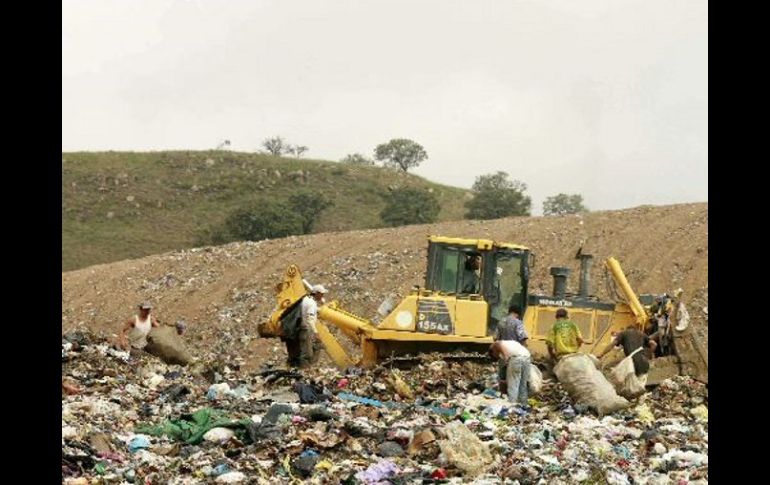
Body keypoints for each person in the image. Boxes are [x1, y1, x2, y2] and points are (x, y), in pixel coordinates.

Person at [495, 304, 528, 392]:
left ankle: (502, 394)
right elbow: (523, 338)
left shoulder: (501, 322)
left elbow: (495, 338)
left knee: (502, 377)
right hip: (514, 354)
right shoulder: (518, 323)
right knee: (515, 377)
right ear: (518, 313)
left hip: (503, 354)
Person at [489, 339, 531, 405]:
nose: (497, 356)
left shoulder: (496, 345)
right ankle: (523, 405)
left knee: (513, 385)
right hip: (527, 358)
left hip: (516, 358)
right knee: (523, 385)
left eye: (494, 355)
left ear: (493, 352)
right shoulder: (509, 344)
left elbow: (498, 345)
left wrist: (506, 360)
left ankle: (512, 406)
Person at [299, 284, 328, 367]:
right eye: (322, 294)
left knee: (307, 350)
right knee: (308, 354)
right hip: (306, 329)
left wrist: (319, 310)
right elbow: (310, 319)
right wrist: (316, 332)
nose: (322, 296)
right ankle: (305, 369)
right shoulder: (312, 303)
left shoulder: (306, 299)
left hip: (301, 328)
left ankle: (307, 367)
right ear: (317, 293)